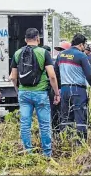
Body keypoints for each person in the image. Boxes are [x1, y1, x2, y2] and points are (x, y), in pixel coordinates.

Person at [10, 28, 60, 158]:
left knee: (25, 124)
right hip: (40, 93)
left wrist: (18, 90)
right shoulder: (43, 53)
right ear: (38, 38)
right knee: (44, 124)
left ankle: (28, 152)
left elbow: (13, 77)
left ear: (25, 39)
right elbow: (52, 76)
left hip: (23, 93)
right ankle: (47, 154)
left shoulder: (17, 53)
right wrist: (56, 93)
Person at [54, 34, 91, 145]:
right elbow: (89, 75)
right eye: (84, 44)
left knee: (66, 116)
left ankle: (66, 141)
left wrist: (57, 90)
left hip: (64, 89)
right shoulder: (81, 56)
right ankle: (80, 143)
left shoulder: (61, 55)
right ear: (81, 44)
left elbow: (56, 74)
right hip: (78, 90)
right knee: (80, 116)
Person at [42, 45, 61, 135]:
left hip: (44, 89)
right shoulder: (54, 62)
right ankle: (55, 131)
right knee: (54, 111)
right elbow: (55, 77)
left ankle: (49, 131)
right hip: (53, 89)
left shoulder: (40, 62)